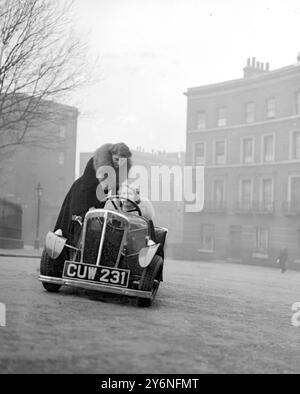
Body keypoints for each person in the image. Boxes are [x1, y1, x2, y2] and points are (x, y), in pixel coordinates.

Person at [53, 142, 132, 245]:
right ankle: (70, 250)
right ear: (111, 155)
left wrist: (119, 205)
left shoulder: (118, 171)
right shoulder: (95, 162)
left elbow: (114, 192)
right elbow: (87, 185)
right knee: (76, 223)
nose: (118, 163)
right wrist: (90, 206)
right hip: (81, 195)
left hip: (98, 199)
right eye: (116, 159)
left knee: (97, 227)